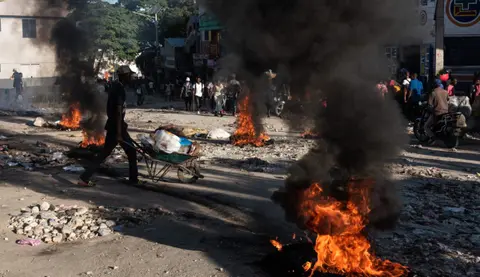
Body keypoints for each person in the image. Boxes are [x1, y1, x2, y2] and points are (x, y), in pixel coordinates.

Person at [78, 65, 140, 187]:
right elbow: (117, 111)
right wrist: (118, 133)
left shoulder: (116, 87)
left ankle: (84, 177)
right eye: (129, 75)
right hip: (117, 127)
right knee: (131, 152)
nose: (131, 77)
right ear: (124, 76)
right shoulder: (119, 89)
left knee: (106, 153)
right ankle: (133, 179)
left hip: (116, 125)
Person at [424, 79, 449, 145]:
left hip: (437, 112)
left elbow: (429, 105)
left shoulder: (433, 93)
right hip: (446, 112)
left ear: (434, 85)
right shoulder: (446, 92)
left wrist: (430, 109)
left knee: (426, 126)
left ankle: (432, 138)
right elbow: (448, 100)